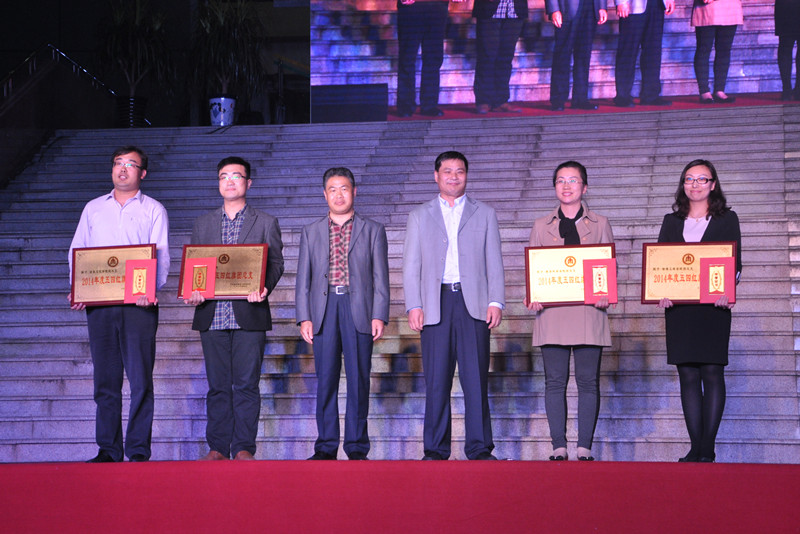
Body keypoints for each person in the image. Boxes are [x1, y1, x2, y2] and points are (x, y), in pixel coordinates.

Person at [68, 146, 170, 463]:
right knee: (105, 379)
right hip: (100, 303)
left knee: (140, 380)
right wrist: (78, 289)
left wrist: (151, 290)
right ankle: (109, 449)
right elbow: (78, 249)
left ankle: (138, 449)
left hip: (139, 304)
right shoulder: (93, 209)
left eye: (130, 164)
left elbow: (161, 254)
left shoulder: (153, 209)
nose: (123, 169)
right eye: (118, 163)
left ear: (143, 173)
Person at [403, 151, 505, 460]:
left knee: (476, 380)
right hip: (436, 302)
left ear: (466, 176)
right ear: (436, 176)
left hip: (474, 303)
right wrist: (414, 304)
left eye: (459, 171)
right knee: (436, 381)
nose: (453, 176)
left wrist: (495, 300)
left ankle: (479, 447)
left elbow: (494, 261)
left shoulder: (484, 213)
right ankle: (435, 449)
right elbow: (411, 266)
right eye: (447, 171)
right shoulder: (419, 215)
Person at [185, 156, 284, 461]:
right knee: (217, 386)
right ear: (218, 183)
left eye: (236, 176)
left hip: (249, 314)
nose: (230, 181)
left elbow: (276, 263)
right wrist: (193, 290)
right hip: (212, 314)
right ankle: (217, 447)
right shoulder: (203, 223)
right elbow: (196, 266)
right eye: (224, 176)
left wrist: (264, 287)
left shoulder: (265, 222)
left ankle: (243, 447)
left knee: (246, 385)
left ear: (248, 183)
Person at [295, 167, 390, 460]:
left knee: (359, 379)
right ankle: (325, 447)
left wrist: (379, 314)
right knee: (326, 380)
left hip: (357, 307)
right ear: (324, 194)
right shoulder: (311, 231)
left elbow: (381, 277)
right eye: (333, 190)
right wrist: (304, 316)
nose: (339, 195)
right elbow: (303, 279)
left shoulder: (373, 230)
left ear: (354, 192)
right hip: (323, 310)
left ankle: (357, 447)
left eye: (344, 189)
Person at [524, 161, 613, 461]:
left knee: (588, 382)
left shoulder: (600, 223)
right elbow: (534, 271)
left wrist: (605, 293)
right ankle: (558, 447)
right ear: (554, 187)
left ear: (584, 187)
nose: (566, 186)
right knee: (554, 382)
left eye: (573, 180)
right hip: (553, 313)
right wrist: (534, 295)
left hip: (589, 312)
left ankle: (584, 447)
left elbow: (607, 268)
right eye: (561, 180)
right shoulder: (540, 225)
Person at [657, 159, 741, 463]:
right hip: (680, 310)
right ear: (683, 185)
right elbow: (660, 265)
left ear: (713, 185)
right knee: (688, 375)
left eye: (702, 179)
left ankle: (708, 447)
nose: (695, 184)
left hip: (713, 307)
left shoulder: (727, 219)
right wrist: (660, 291)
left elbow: (735, 262)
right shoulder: (671, 221)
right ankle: (696, 447)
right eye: (689, 179)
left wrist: (728, 290)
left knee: (712, 372)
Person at [396, 0, 462, 117]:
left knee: (433, 58)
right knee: (407, 57)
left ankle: (429, 105)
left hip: (437, 7)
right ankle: (405, 105)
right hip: (412, 7)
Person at [546, 0, 608, 111]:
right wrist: (554, 9)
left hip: (591, 7)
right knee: (562, 55)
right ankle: (558, 99)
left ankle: (580, 99)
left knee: (584, 56)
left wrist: (602, 6)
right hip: (566, 8)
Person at [612, 0, 675, 107]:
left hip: (657, 4)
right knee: (627, 51)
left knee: (653, 52)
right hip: (632, 5)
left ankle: (650, 95)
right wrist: (620, 2)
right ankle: (622, 96)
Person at [472, 0, 528, 114]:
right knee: (486, 56)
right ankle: (483, 101)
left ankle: (501, 101)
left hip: (514, 10)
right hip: (489, 9)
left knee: (506, 58)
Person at [691, 0, 742, 104]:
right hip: (707, 7)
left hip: (730, 7)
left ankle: (720, 90)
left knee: (724, 50)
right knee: (704, 49)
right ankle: (704, 91)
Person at [776, 0, 800, 101]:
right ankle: (797, 90)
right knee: (785, 49)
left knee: (785, 49)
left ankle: (786, 90)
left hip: (785, 7)